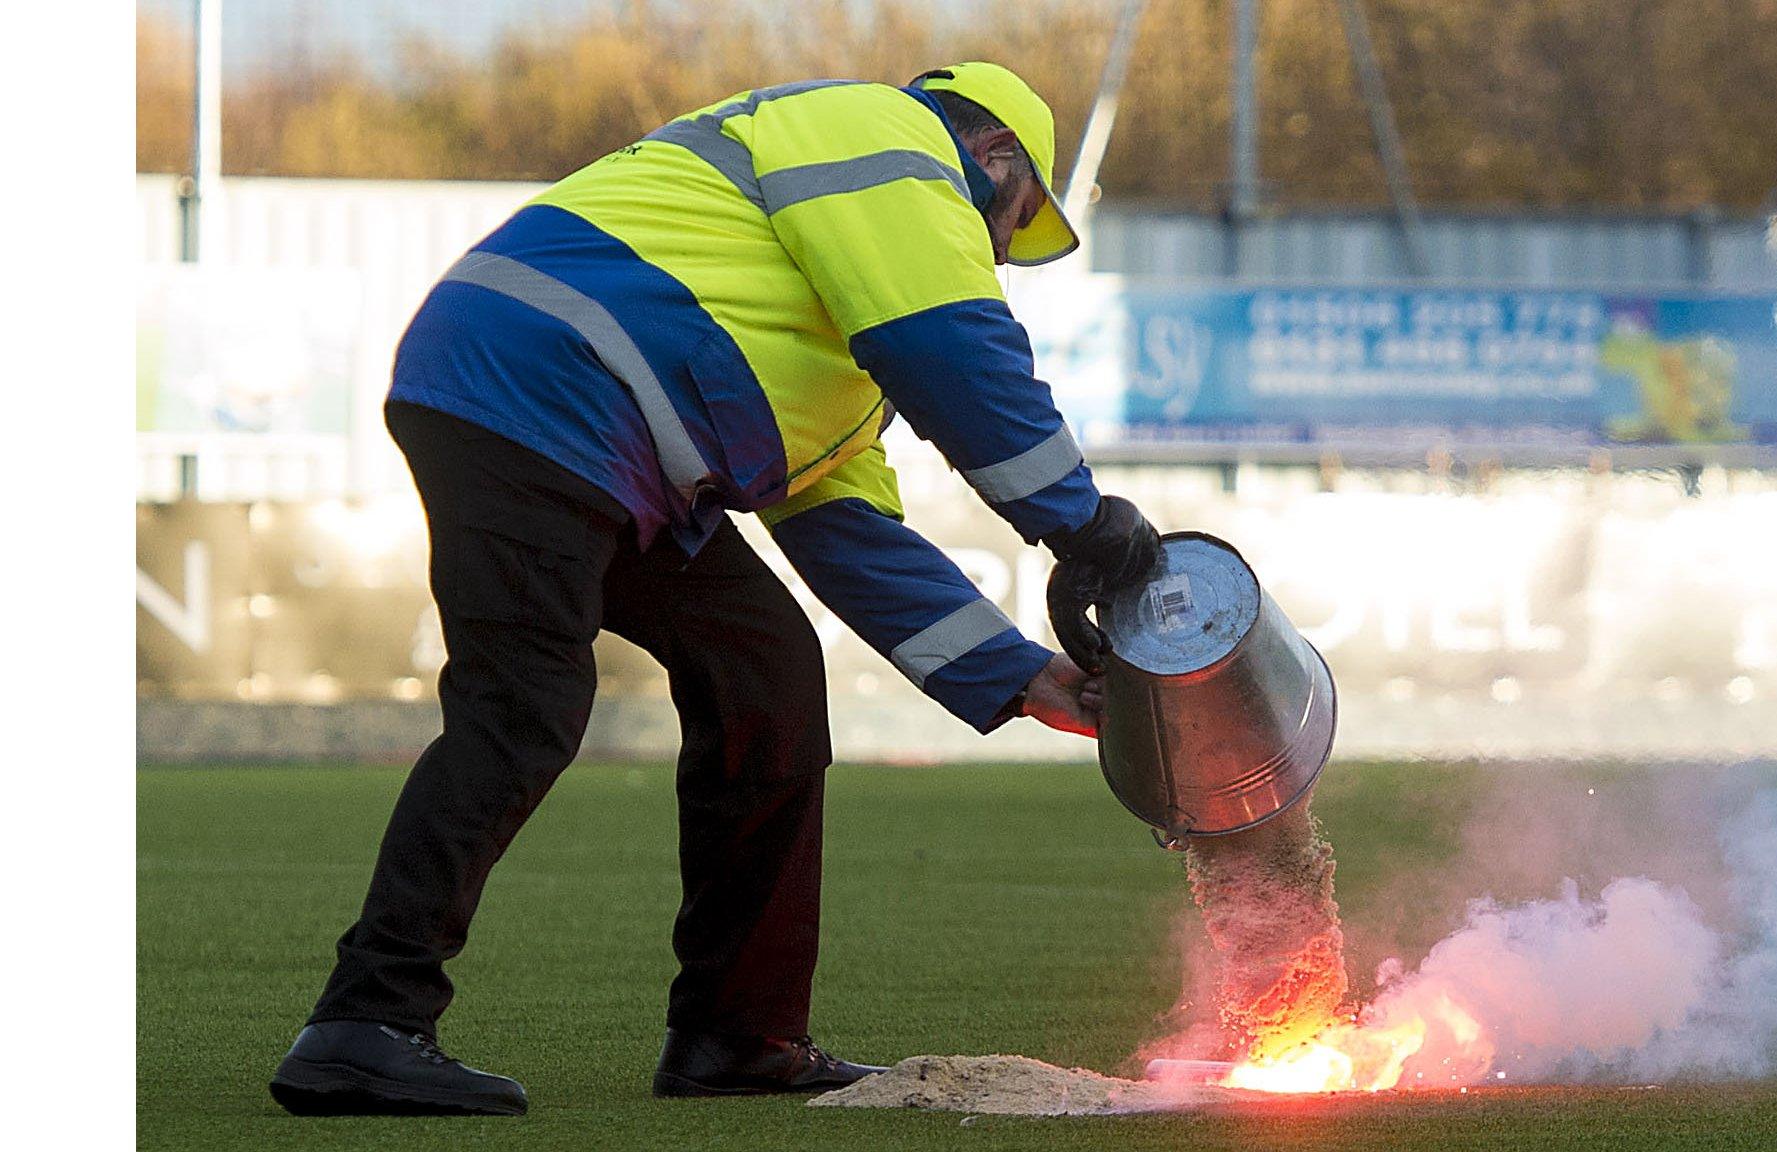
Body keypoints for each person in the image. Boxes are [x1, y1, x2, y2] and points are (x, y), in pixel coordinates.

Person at [267, 62, 1162, 1117]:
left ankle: (740, 1037)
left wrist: (1023, 679)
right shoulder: (891, 142)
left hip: (583, 415)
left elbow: (853, 539)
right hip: (539, 385)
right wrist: (1084, 524)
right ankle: (363, 1021)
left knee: (766, 677)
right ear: (994, 156)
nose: (1004, 253)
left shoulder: (841, 340)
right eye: (1016, 223)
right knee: (523, 705)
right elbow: (953, 348)